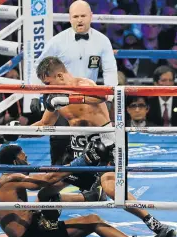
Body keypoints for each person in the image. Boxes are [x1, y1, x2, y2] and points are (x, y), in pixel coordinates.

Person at [33, 56, 176, 237]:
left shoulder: (84, 84)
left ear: (59, 75)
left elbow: (105, 95)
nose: (46, 88)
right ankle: (53, 236)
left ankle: (154, 223)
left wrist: (70, 98)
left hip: (107, 144)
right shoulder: (54, 98)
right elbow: (45, 124)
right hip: (81, 150)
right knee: (47, 191)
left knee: (111, 188)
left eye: (48, 83)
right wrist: (15, 131)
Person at [0, 145, 168, 237]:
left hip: (35, 233)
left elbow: (44, 188)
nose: (28, 160)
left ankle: (86, 190)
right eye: (24, 157)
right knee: (92, 220)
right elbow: (47, 179)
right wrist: (83, 160)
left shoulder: (8, 180)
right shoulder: (10, 179)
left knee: (46, 195)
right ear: (16, 161)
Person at [30, 0, 118, 165]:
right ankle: (57, 172)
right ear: (69, 18)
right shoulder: (57, 41)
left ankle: (98, 175)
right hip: (61, 95)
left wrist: (111, 98)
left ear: (91, 16)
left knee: (96, 138)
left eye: (83, 16)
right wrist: (34, 96)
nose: (80, 20)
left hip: (89, 94)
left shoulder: (102, 41)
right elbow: (40, 67)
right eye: (75, 16)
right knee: (58, 136)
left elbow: (110, 70)